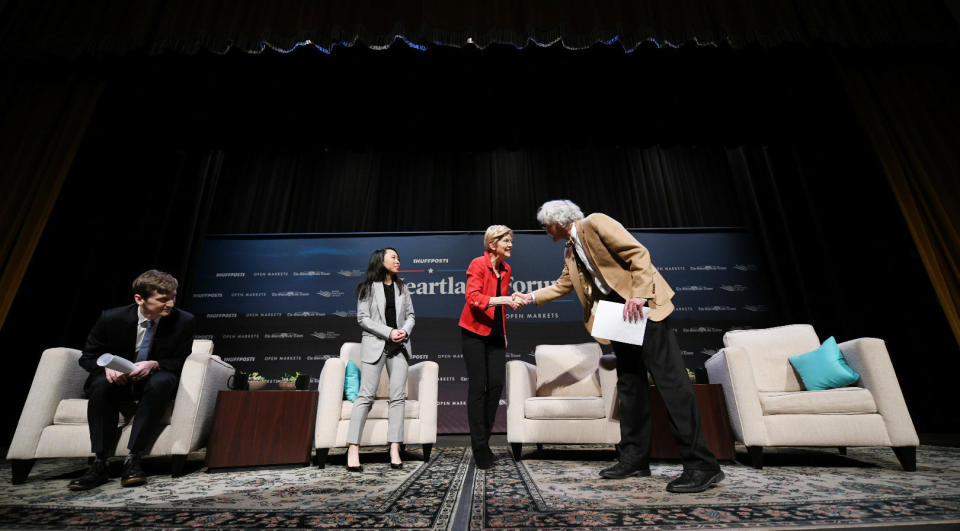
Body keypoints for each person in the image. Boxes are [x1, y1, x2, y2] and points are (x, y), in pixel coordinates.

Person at [516, 200, 724, 493]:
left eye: (545, 224)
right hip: (617, 317)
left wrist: (638, 296)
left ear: (558, 221)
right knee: (630, 385)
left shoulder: (595, 223)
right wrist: (529, 297)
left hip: (641, 309)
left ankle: (702, 465)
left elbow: (638, 253)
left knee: (672, 385)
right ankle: (635, 459)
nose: (544, 230)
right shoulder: (570, 251)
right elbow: (562, 286)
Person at [69, 270, 195, 490]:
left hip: (154, 377)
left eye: (173, 297)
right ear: (139, 299)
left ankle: (134, 459)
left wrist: (154, 364)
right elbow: (88, 357)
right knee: (100, 385)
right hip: (117, 380)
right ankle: (100, 462)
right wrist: (107, 367)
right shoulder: (111, 318)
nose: (171, 304)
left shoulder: (184, 321)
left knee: (162, 382)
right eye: (163, 299)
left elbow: (180, 360)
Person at [458, 225, 526, 469]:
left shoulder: (506, 269)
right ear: (492, 244)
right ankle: (479, 448)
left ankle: (484, 442)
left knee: (496, 386)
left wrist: (504, 333)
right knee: (478, 388)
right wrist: (506, 300)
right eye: (505, 241)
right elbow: (473, 299)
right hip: (474, 333)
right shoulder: (478, 264)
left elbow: (499, 306)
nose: (510, 245)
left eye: (511, 241)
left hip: (496, 335)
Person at [346, 247, 415, 472]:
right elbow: (362, 319)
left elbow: (411, 316)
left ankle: (394, 447)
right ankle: (353, 449)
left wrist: (404, 330)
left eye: (398, 256)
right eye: (393, 257)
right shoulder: (366, 288)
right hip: (376, 345)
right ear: (381, 260)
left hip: (399, 346)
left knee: (398, 398)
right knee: (365, 396)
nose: (398, 260)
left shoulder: (402, 287)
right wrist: (389, 331)